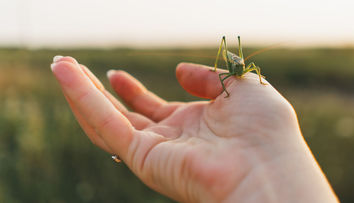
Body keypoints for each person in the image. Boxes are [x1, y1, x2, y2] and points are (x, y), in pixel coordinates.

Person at [50, 55, 338, 203]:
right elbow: (226, 80)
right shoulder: (230, 76)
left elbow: (248, 72)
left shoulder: (247, 79)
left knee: (248, 70)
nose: (240, 70)